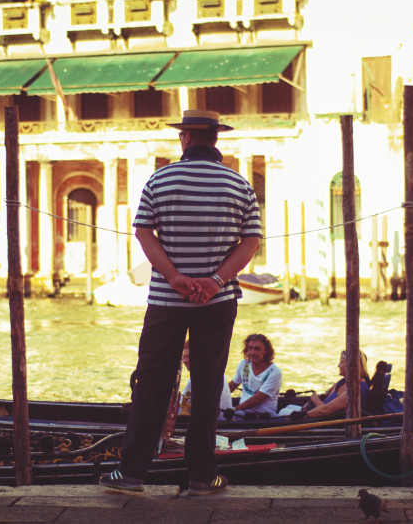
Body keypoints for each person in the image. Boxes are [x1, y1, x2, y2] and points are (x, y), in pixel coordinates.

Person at [99, 109, 262, 495]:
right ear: (215, 139)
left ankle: (133, 474)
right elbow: (250, 242)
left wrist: (174, 277)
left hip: (165, 301)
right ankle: (202, 476)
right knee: (207, 384)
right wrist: (215, 280)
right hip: (217, 300)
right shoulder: (240, 184)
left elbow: (143, 233)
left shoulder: (160, 178)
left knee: (152, 382)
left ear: (185, 138)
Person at [304, 349, 370, 418]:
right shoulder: (343, 381)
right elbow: (326, 394)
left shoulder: (356, 389)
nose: (338, 365)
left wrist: (304, 414)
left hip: (326, 421)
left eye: (341, 362)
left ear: (351, 364)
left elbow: (325, 410)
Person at [228, 334, 282, 417]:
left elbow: (259, 398)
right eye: (250, 348)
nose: (252, 352)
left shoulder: (274, 372)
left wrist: (234, 409)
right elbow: (231, 386)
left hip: (264, 415)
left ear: (266, 351)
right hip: (242, 412)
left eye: (257, 349)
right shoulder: (244, 364)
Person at [179, 339, 234, 419]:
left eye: (189, 357)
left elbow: (181, 411)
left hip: (218, 423)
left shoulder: (196, 379)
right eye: (184, 357)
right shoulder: (215, 373)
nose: (185, 360)